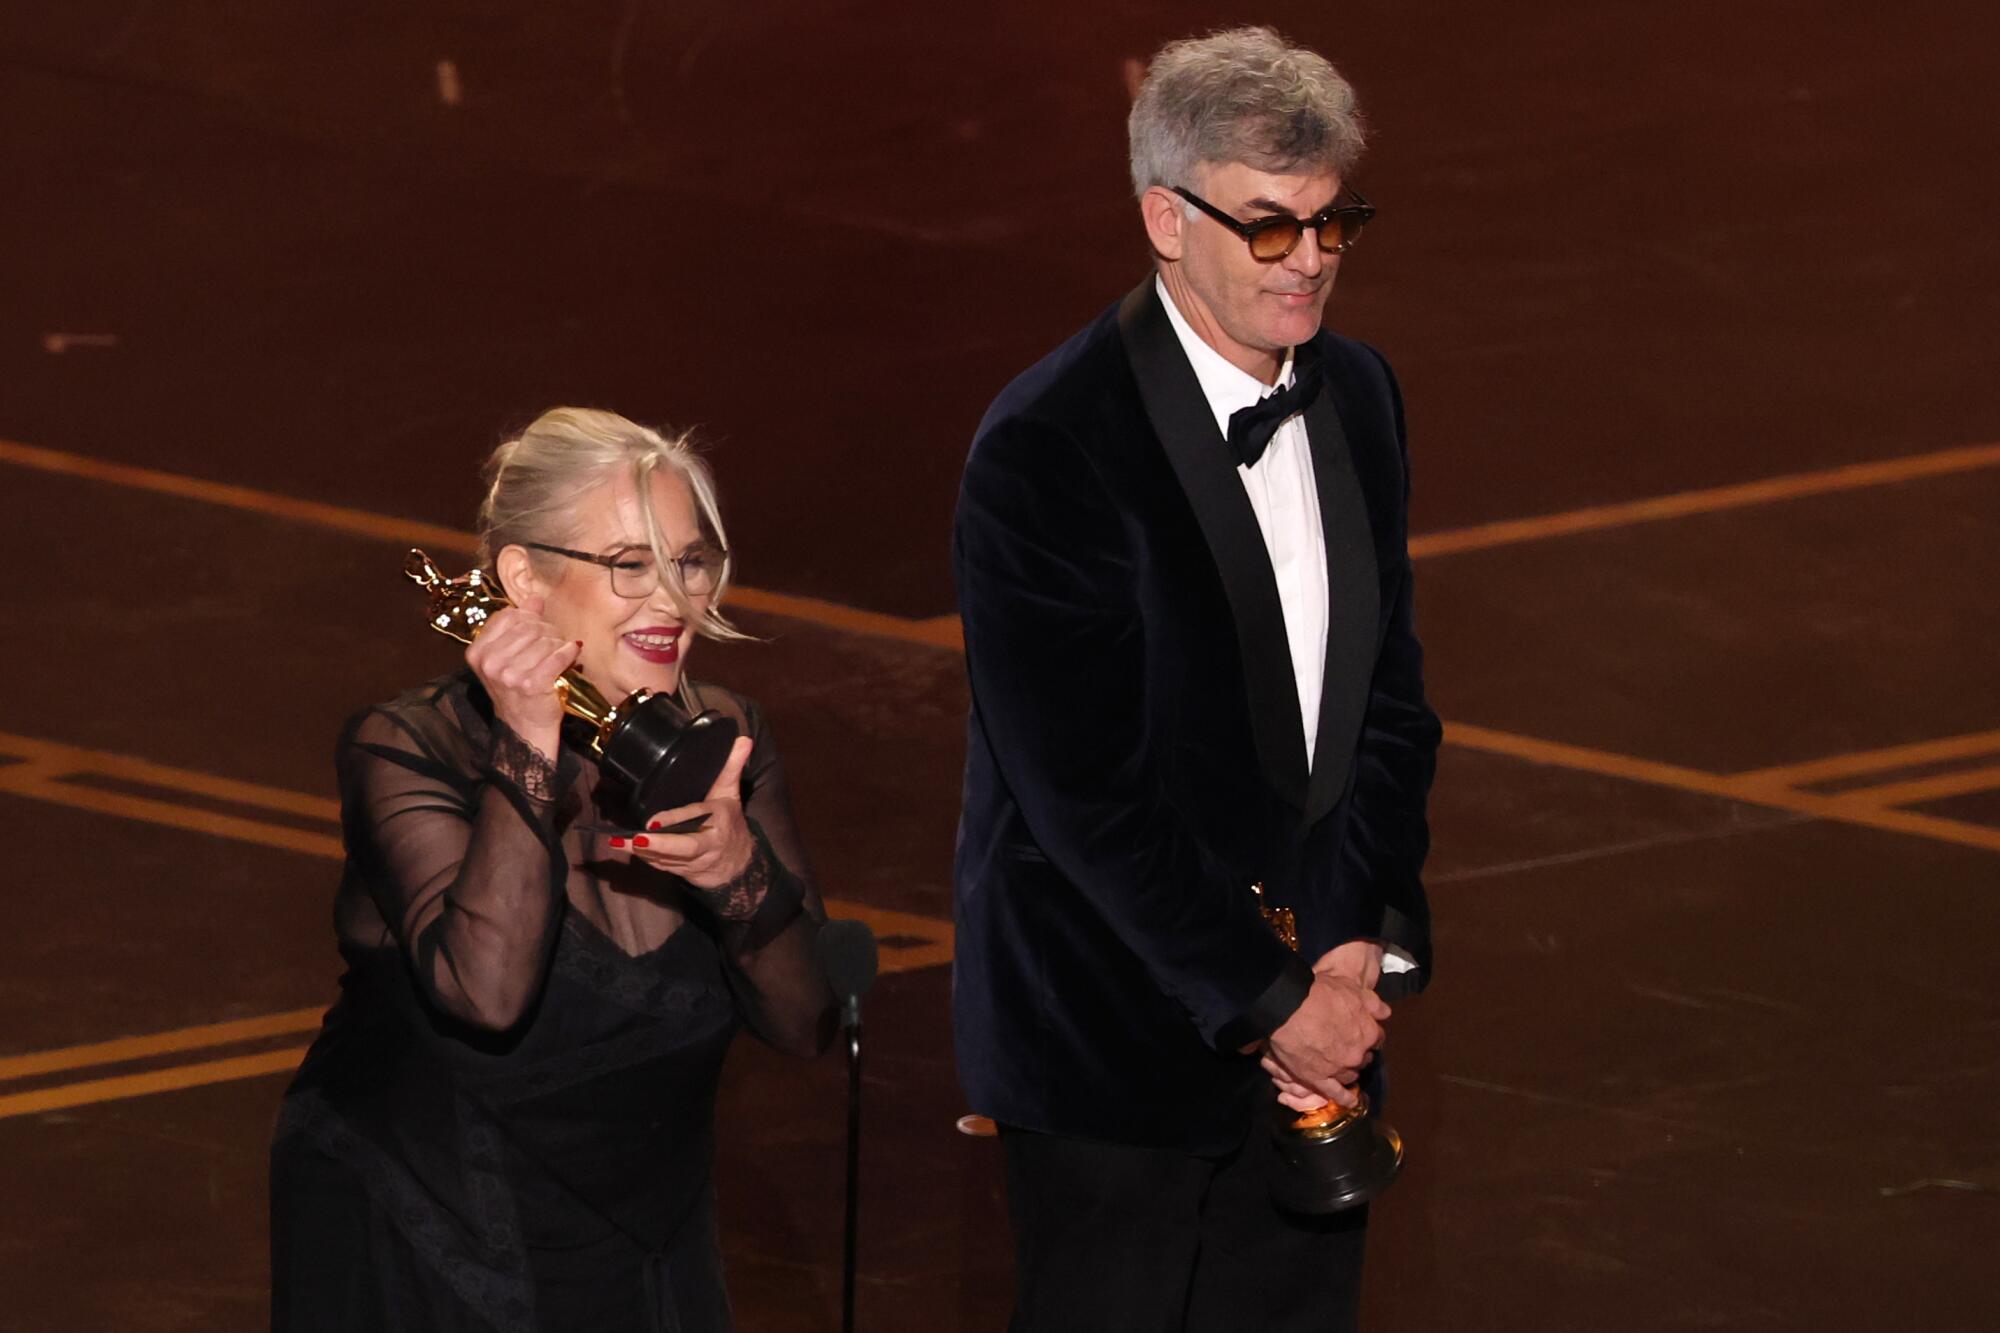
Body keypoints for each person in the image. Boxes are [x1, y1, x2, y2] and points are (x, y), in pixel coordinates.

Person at [951, 26, 1440, 1332]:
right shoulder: (1049, 448)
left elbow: (1387, 705)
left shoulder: (1362, 398)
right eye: (1272, 229)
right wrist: (1275, 1001)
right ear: (1167, 219)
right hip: (1114, 1052)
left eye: (1336, 225)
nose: (1315, 262)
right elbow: (1083, 800)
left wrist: (1350, 948)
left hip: (1319, 1042)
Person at [270, 407, 835, 1331]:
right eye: (629, 565)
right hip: (423, 1246)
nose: (670, 600)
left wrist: (742, 877)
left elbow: (808, 1021)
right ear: (525, 580)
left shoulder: (726, 743)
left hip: (645, 1251)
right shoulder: (409, 748)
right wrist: (527, 750)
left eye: (689, 561)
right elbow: (485, 993)